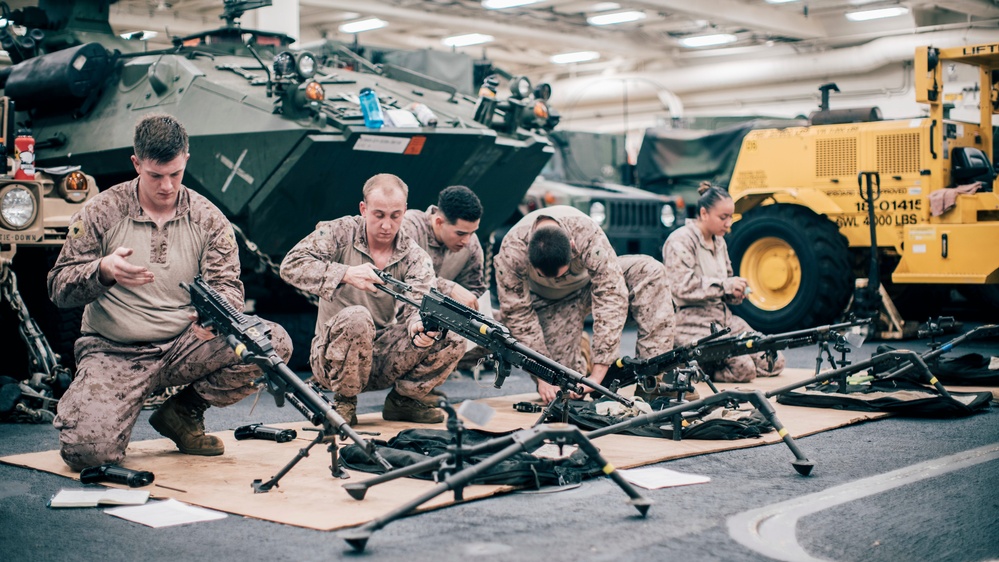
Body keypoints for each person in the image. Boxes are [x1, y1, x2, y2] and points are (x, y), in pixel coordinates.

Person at [47, 114, 293, 471]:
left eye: (175, 174)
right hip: (115, 350)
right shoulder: (102, 211)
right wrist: (102, 271)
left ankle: (183, 413)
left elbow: (228, 287)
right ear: (136, 164)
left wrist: (214, 317)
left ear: (186, 160)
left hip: (185, 344)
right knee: (88, 455)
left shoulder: (208, 219)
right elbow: (59, 288)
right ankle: (113, 410)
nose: (167, 186)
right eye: (155, 176)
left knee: (271, 343)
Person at [279, 173, 465, 426]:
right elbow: (291, 265)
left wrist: (420, 327)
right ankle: (344, 402)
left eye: (395, 216)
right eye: (379, 215)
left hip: (381, 357)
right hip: (333, 360)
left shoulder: (414, 255)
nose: (387, 225)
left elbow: (420, 303)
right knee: (357, 317)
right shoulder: (339, 232)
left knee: (451, 330)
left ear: (405, 211)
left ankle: (404, 401)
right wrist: (346, 273)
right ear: (363, 209)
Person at [494, 205, 675, 404]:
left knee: (651, 271)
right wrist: (541, 375)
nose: (557, 279)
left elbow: (610, 294)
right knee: (565, 387)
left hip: (589, 285)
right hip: (551, 302)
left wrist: (598, 374)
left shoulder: (586, 233)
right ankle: (580, 347)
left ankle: (652, 380)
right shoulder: (512, 251)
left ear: (572, 245)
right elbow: (517, 313)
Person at [662, 182, 785, 382]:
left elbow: (724, 283)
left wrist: (735, 292)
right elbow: (680, 286)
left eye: (730, 217)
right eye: (723, 217)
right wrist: (725, 286)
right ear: (704, 213)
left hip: (723, 319)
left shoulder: (719, 241)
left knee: (773, 359)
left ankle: (715, 363)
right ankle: (704, 370)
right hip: (692, 321)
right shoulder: (680, 240)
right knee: (743, 369)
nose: (728, 223)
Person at [401, 185, 489, 380]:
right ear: (439, 222)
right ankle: (409, 391)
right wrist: (448, 288)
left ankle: (430, 379)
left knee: (498, 331)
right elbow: (394, 279)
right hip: (402, 319)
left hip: (441, 319)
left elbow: (474, 292)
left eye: (472, 232)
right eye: (461, 233)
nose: (467, 240)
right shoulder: (408, 228)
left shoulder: (471, 244)